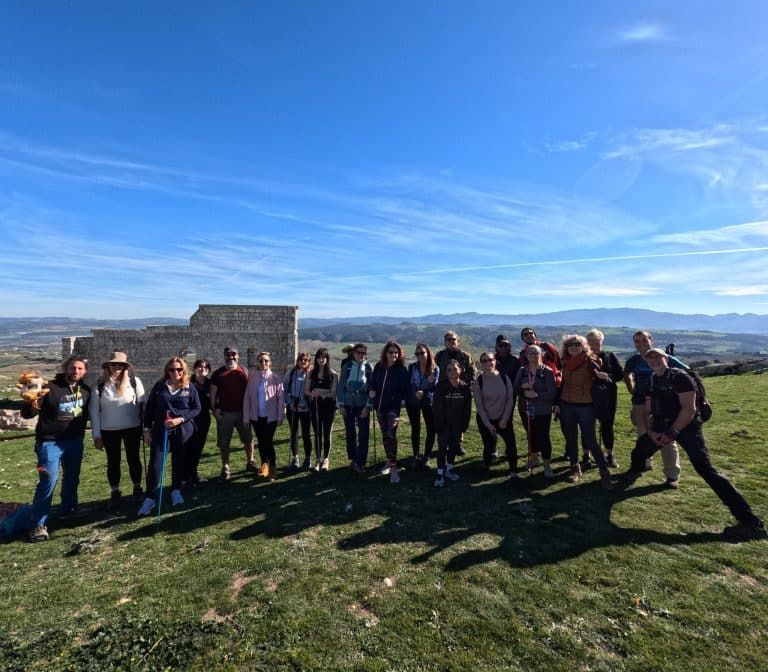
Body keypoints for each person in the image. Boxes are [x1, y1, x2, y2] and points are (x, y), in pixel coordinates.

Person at [625, 348, 767, 540]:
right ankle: (631, 475)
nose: (654, 361)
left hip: (688, 429)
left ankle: (751, 523)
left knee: (706, 469)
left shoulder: (680, 377)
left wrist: (672, 433)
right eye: (650, 359)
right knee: (640, 451)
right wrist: (651, 431)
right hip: (662, 426)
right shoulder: (652, 380)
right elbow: (649, 408)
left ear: (666, 359)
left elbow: (689, 409)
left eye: (657, 357)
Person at [22, 355, 91, 542]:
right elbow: (27, 414)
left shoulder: (86, 390)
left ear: (85, 371)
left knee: (71, 477)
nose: (75, 371)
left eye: (79, 369)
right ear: (66, 368)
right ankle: (37, 524)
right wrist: (31, 402)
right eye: (72, 367)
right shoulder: (49, 388)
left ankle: (68, 509)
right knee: (48, 481)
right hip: (49, 442)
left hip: (74, 441)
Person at [138, 357, 201, 516]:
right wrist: (146, 429)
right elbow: (150, 408)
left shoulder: (189, 386)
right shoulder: (160, 386)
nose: (176, 372)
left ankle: (176, 490)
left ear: (184, 370)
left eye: (179, 369)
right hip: (160, 429)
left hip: (182, 429)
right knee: (156, 463)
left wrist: (181, 418)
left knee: (179, 461)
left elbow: (196, 408)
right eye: (172, 369)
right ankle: (150, 497)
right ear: (167, 371)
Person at [624, 331, 687, 486]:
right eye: (637, 341)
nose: (641, 343)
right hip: (640, 402)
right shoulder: (634, 360)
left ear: (651, 340)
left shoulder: (663, 357)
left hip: (663, 405)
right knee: (643, 433)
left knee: (666, 437)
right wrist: (632, 388)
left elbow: (687, 370)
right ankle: (644, 464)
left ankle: (672, 475)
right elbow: (627, 374)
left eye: (644, 340)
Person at [89, 351, 146, 509]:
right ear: (108, 366)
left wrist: (145, 429)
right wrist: (96, 435)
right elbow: (94, 411)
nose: (117, 367)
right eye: (114, 364)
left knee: (134, 460)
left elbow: (142, 406)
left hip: (132, 428)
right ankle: (115, 492)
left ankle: (137, 488)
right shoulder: (99, 385)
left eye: (121, 365)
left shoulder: (135, 382)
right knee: (113, 462)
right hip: (109, 430)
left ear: (126, 367)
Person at [558, 335, 612, 489]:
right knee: (571, 438)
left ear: (583, 346)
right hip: (566, 405)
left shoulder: (590, 361)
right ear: (566, 348)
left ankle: (604, 471)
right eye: (570, 345)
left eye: (577, 344)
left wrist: (604, 377)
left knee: (590, 440)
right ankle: (575, 468)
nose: (573, 347)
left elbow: (602, 378)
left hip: (585, 406)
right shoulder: (564, 363)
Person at [210, 347, 255, 481]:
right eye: (228, 355)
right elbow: (212, 394)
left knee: (248, 439)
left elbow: (250, 392)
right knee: (224, 443)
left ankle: (250, 461)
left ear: (238, 356)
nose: (231, 357)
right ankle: (225, 466)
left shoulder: (244, 371)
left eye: (233, 354)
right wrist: (214, 410)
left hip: (242, 412)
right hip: (225, 413)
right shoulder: (218, 374)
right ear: (224, 356)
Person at [513, 345, 558, 478]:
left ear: (541, 354)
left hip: (542, 411)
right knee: (531, 435)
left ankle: (547, 465)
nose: (532, 355)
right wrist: (523, 386)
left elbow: (552, 393)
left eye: (536, 352)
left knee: (543, 437)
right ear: (526, 355)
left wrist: (537, 395)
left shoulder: (548, 371)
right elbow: (515, 389)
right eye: (530, 352)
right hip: (526, 409)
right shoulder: (522, 370)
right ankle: (534, 459)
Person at [369, 341, 410, 483]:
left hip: (393, 408)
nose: (394, 354)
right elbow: (372, 383)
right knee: (385, 436)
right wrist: (371, 391)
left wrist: (396, 399)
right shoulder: (379, 367)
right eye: (391, 352)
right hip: (379, 407)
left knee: (390, 434)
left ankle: (393, 468)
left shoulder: (401, 370)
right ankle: (390, 461)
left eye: (396, 352)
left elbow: (405, 389)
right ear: (385, 353)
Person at [473, 351, 517, 479]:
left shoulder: (504, 377)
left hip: (503, 418)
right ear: (481, 364)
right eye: (484, 361)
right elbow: (479, 406)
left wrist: (505, 418)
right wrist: (488, 425)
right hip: (485, 420)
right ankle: (486, 465)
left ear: (495, 361)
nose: (488, 363)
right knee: (489, 445)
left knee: (511, 445)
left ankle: (513, 471)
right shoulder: (479, 381)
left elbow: (510, 399)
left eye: (490, 360)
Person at [584, 329, 624, 469]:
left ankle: (609, 455)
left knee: (607, 424)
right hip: (588, 395)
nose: (594, 344)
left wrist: (607, 376)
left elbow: (619, 375)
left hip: (608, 396)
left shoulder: (610, 356)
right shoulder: (584, 357)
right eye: (591, 341)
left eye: (596, 341)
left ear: (601, 341)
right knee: (587, 426)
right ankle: (586, 455)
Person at [243, 352, 285, 481]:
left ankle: (272, 468)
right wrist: (246, 417)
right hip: (256, 417)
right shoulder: (253, 378)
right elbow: (247, 399)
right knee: (261, 443)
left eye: (266, 361)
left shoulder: (276, 378)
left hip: (270, 417)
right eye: (261, 361)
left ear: (270, 363)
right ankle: (264, 466)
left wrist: (280, 416)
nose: (263, 363)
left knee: (268, 442)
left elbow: (280, 399)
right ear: (257, 363)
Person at [432, 360, 472, 487]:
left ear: (460, 370)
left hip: (457, 425)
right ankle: (439, 473)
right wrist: (438, 425)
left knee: (454, 448)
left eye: (455, 369)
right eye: (449, 369)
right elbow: (436, 407)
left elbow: (467, 409)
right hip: (443, 424)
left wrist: (463, 427)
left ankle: (449, 469)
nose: (452, 371)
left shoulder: (465, 387)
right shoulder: (441, 386)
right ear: (446, 372)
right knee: (442, 449)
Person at [435, 331, 475, 455]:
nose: (451, 341)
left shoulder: (465, 356)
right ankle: (444, 443)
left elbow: (472, 372)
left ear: (458, 341)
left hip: (460, 390)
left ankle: (457, 444)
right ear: (445, 342)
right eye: (448, 339)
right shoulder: (440, 356)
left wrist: (467, 386)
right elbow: (434, 370)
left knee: (459, 417)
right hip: (444, 390)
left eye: (453, 339)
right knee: (443, 416)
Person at [337, 343, 373, 474]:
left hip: (362, 405)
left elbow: (371, 389)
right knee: (350, 433)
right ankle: (354, 459)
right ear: (354, 353)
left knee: (363, 434)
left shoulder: (369, 368)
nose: (360, 355)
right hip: (348, 404)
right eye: (358, 352)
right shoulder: (347, 366)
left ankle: (360, 462)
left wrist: (368, 406)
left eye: (363, 353)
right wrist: (340, 405)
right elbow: (341, 387)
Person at [406, 343, 439, 469]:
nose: (419, 355)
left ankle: (426, 457)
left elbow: (434, 387)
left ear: (428, 353)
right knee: (416, 428)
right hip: (413, 402)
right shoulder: (412, 366)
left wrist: (424, 391)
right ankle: (415, 456)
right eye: (417, 353)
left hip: (428, 402)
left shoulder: (435, 368)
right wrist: (415, 392)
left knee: (431, 429)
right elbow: (409, 383)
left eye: (422, 353)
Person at [305, 348, 338, 472]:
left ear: (327, 358)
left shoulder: (333, 374)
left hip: (329, 407)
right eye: (319, 357)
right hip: (316, 407)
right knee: (317, 433)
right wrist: (314, 393)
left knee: (327, 433)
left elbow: (334, 393)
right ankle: (318, 460)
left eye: (324, 357)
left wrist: (319, 392)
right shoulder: (311, 373)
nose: (321, 359)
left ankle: (326, 459)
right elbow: (307, 390)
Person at [284, 353, 313, 472]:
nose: (303, 362)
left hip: (306, 408)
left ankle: (307, 458)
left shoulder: (311, 374)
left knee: (306, 434)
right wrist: (289, 402)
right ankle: (295, 458)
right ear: (297, 361)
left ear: (309, 362)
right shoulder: (291, 373)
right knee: (294, 433)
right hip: (293, 407)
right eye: (301, 360)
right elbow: (285, 388)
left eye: (306, 360)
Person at [187, 358, 212, 485]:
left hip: (204, 420)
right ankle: (185, 476)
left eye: (205, 367)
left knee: (198, 448)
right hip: (190, 420)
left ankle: (193, 474)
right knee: (188, 447)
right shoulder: (188, 383)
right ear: (195, 369)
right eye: (200, 367)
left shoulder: (209, 384)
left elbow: (213, 401)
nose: (202, 369)